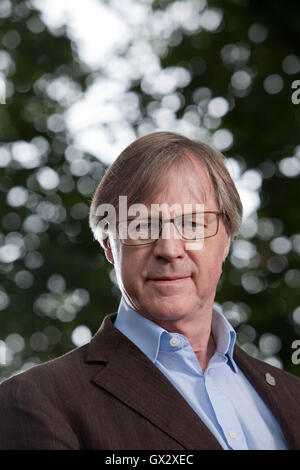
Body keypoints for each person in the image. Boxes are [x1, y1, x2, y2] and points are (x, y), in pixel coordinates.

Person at [0, 131, 299, 450]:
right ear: (109, 247)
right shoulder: (35, 401)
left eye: (192, 224)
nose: (170, 249)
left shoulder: (293, 395)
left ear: (226, 239)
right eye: (141, 225)